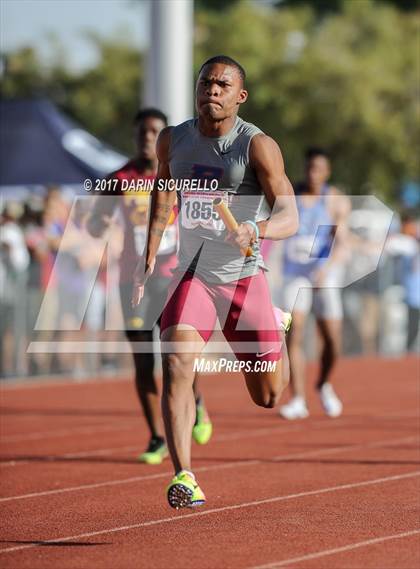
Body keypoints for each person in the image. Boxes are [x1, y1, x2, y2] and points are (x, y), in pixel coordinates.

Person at [133, 55, 298, 509]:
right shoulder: (174, 139)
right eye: (207, 82)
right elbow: (163, 189)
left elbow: (289, 215)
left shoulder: (257, 146)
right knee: (177, 364)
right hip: (195, 275)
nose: (213, 90)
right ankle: (184, 474)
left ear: (239, 96)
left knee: (267, 395)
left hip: (244, 278)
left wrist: (256, 229)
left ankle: (277, 327)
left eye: (224, 85)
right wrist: (151, 245)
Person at [87, 108, 212, 465]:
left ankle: (198, 403)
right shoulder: (118, 179)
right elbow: (97, 224)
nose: (146, 137)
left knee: (178, 356)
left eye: (153, 131)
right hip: (134, 283)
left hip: (174, 278)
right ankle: (156, 436)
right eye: (141, 131)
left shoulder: (181, 175)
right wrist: (97, 217)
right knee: (144, 364)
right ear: (135, 135)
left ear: (163, 138)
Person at [279, 147, 350, 420]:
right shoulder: (290, 197)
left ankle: (323, 383)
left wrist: (327, 268)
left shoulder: (335, 201)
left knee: (332, 340)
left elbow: (342, 244)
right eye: (309, 168)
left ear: (327, 172)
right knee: (294, 331)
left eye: (318, 169)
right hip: (295, 274)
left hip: (324, 274)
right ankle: (298, 399)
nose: (312, 173)